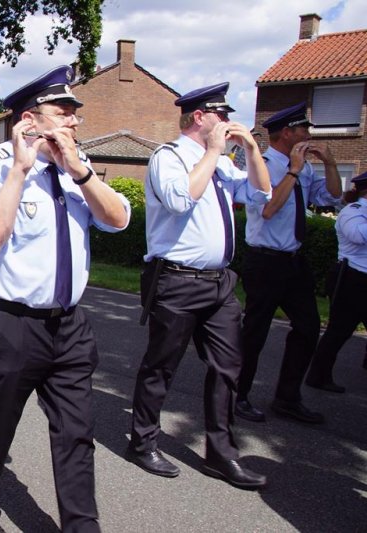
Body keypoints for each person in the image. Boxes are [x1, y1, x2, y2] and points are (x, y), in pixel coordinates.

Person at [0, 65, 130, 533]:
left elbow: (117, 219)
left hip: (69, 326)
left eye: (75, 112)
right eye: (64, 111)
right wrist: (20, 169)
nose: (74, 120)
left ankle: (81, 525)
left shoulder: (77, 166)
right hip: (12, 325)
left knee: (77, 433)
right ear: (29, 120)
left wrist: (81, 172)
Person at [128, 82, 271, 490]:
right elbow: (180, 200)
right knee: (161, 366)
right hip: (176, 280)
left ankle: (221, 455)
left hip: (219, 283)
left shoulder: (223, 163)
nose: (226, 122)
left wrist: (252, 150)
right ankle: (142, 442)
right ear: (199, 117)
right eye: (220, 115)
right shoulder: (169, 157)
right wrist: (213, 152)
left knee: (228, 367)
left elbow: (262, 194)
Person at [235, 103, 341, 424]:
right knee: (255, 333)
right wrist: (292, 172)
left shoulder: (304, 168)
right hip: (264, 262)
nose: (309, 134)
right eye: (303, 129)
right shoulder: (263, 166)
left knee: (308, 328)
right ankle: (237, 395)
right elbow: (268, 210)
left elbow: (332, 196)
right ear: (286, 133)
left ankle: (287, 398)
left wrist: (330, 163)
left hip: (293, 262)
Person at [305, 172, 367, 391]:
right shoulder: (354, 211)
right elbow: (357, 235)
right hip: (352, 277)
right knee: (339, 330)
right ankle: (318, 376)